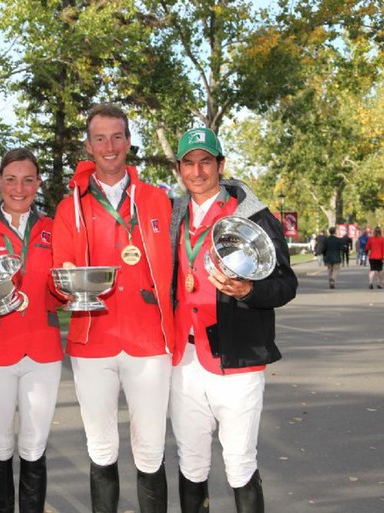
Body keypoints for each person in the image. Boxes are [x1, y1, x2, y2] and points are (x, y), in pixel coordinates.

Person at [51, 103, 174, 513]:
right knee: (101, 448)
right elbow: (60, 272)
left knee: (150, 450)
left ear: (129, 143)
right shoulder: (70, 206)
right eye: (100, 138)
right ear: (88, 145)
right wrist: (67, 281)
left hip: (149, 341)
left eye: (117, 137)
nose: (109, 146)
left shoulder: (158, 200)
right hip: (93, 341)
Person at [169, 127, 298, 513]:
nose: (197, 171)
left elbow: (286, 285)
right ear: (179, 169)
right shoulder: (173, 214)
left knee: (240, 465)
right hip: (184, 361)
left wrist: (248, 292)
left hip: (237, 360)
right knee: (191, 464)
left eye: (205, 162)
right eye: (189, 163)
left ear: (220, 165)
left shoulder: (254, 216)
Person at [0, 148, 63, 513]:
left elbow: (61, 288)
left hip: (43, 353)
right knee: (0, 445)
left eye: (27, 179)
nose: (19, 188)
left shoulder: (55, 228)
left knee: (35, 446)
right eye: (10, 179)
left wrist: (67, 292)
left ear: (37, 184)